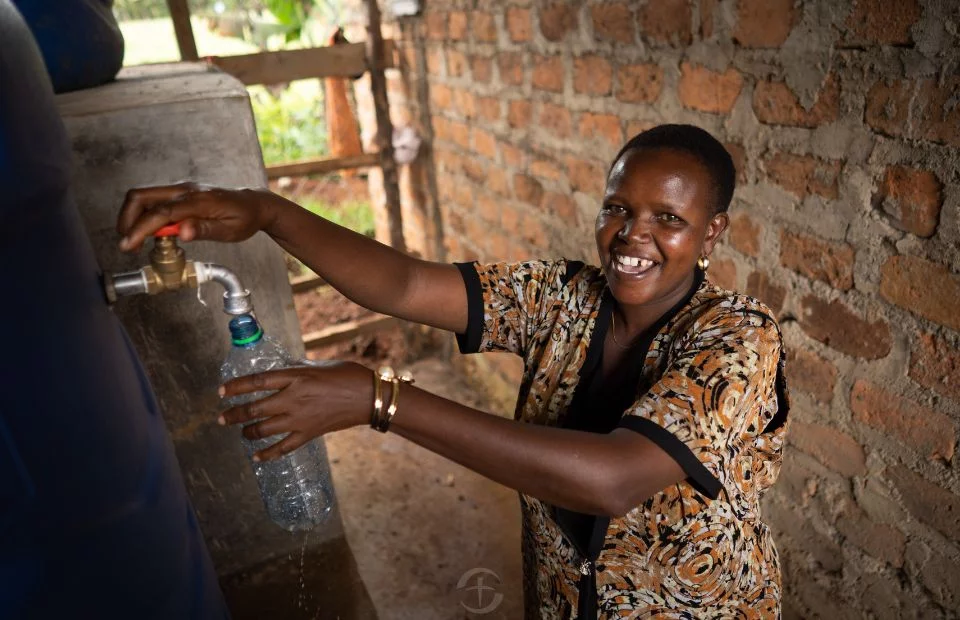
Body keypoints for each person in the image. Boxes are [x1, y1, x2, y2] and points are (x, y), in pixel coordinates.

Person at [117, 124, 789, 618]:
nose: (632, 235)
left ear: (711, 235)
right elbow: (408, 286)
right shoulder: (563, 296)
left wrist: (380, 400)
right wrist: (266, 212)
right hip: (565, 597)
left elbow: (612, 479)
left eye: (669, 219)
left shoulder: (738, 338)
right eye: (617, 208)